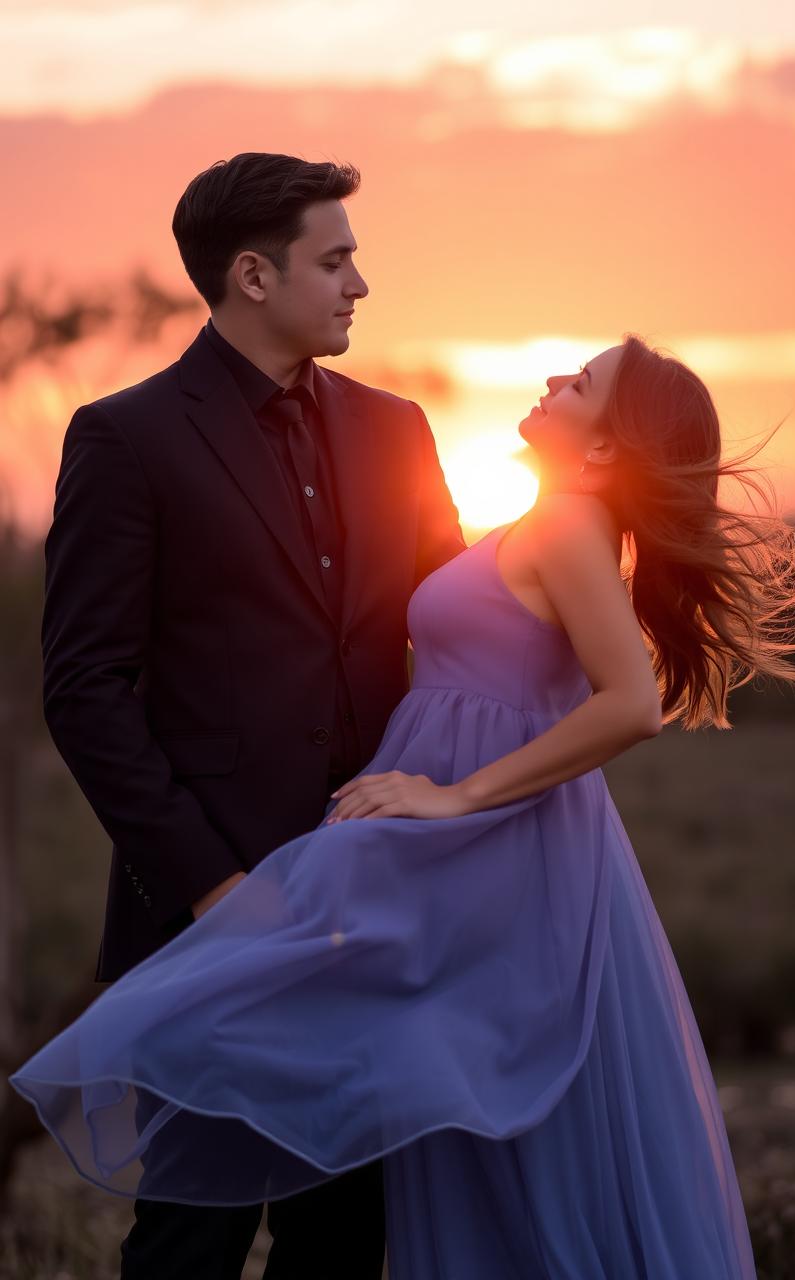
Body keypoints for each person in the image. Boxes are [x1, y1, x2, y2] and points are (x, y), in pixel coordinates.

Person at [11, 334, 795, 1278]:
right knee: (429, 1132)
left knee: (306, 1054)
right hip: (448, 840)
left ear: (604, 448)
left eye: (582, 383)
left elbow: (632, 703)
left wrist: (455, 796)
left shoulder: (564, 522)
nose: (555, 380)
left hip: (474, 837)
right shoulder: (543, 523)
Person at [24, 152, 465, 1280]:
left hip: (370, 908)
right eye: (337, 258)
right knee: (190, 1234)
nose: (360, 282)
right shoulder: (125, 436)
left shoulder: (398, 430)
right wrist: (215, 885)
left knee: (342, 1238)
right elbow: (84, 686)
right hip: (204, 922)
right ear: (254, 276)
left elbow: (457, 640)